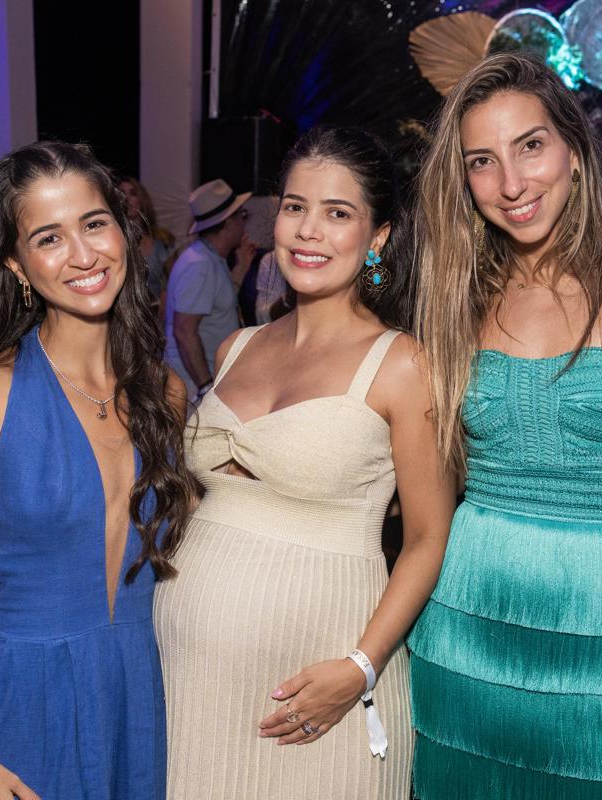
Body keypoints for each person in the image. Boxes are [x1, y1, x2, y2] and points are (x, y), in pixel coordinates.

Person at [407, 54, 602, 798]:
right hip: (469, 624)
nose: (512, 184)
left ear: (576, 150)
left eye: (531, 146)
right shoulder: (459, 289)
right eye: (482, 162)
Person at [153, 126, 453, 798]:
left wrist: (360, 667)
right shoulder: (235, 347)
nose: (308, 230)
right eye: (295, 206)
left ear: (377, 238)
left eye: (337, 212)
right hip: (193, 679)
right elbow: (204, 500)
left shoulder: (403, 364)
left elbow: (428, 537)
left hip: (323, 687)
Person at [0, 141, 197, 799]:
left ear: (124, 232)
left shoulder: (164, 394)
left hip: (142, 697)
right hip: (23, 704)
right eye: (49, 238)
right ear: (16, 264)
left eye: (94, 224)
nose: (83, 254)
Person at [163, 178, 255, 398]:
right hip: (192, 389)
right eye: (242, 215)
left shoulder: (210, 259)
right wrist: (205, 386)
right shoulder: (200, 265)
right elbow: (184, 330)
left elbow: (219, 306)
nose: (245, 223)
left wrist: (242, 266)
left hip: (202, 383)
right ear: (229, 223)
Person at [118, 176, 175, 301]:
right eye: (122, 193)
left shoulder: (161, 240)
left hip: (154, 309)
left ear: (141, 200)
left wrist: (165, 298)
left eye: (133, 193)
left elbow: (175, 280)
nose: (127, 198)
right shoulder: (111, 240)